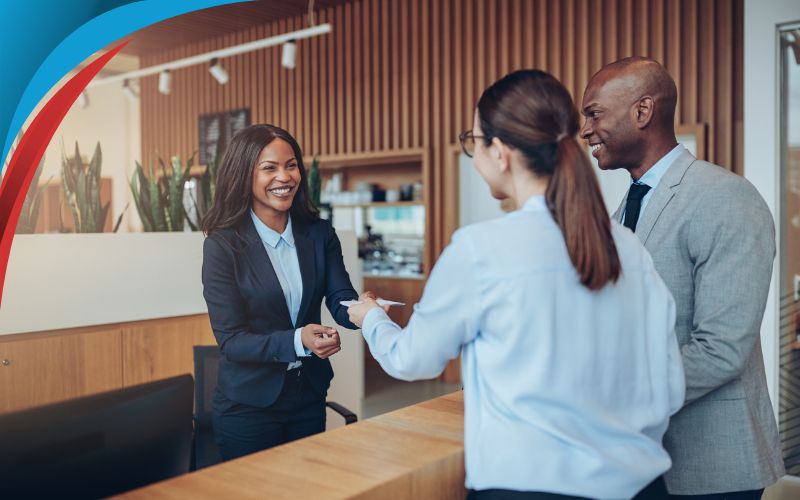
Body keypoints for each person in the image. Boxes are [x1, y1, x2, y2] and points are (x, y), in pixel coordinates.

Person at [347, 69, 685, 499]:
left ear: (501, 152)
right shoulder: (628, 247)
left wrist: (372, 318)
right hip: (642, 488)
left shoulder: (481, 248)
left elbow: (413, 360)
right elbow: (670, 386)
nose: (473, 155)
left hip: (531, 490)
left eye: (473, 141)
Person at [579, 56, 784, 498]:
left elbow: (722, 349)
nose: (585, 130)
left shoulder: (726, 197)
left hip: (712, 462)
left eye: (593, 113)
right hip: (641, 457)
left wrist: (613, 400)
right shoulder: (623, 212)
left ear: (642, 111)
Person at [201, 124, 362, 460]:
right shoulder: (223, 245)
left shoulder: (318, 234)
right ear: (244, 174)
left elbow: (340, 296)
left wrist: (364, 310)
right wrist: (298, 339)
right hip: (248, 406)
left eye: (291, 165)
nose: (284, 177)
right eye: (269, 168)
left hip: (307, 395)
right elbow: (231, 340)